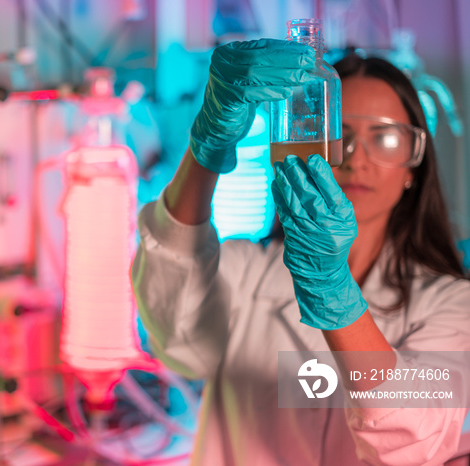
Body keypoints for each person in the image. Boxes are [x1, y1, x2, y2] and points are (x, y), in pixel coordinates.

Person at [131, 38, 470, 465]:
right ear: (312, 139)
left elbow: (412, 438)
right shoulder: (247, 272)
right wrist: (207, 149)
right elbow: (177, 343)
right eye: (338, 133)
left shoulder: (454, 305)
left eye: (384, 138)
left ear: (413, 166)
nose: (355, 159)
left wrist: (334, 295)